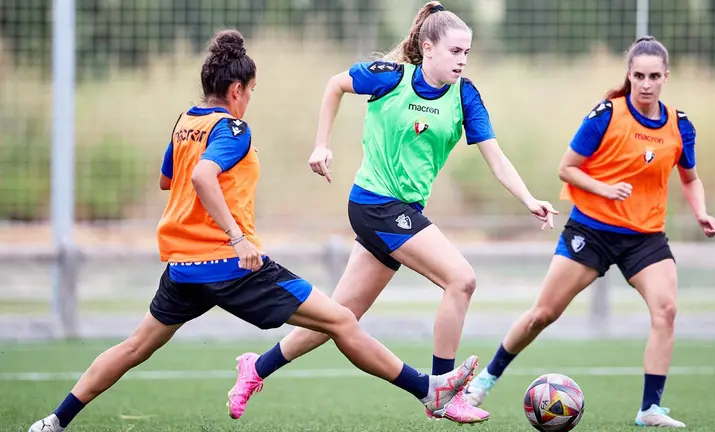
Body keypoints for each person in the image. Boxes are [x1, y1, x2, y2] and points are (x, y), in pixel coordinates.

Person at [27, 29, 487, 432]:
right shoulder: (233, 129)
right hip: (235, 266)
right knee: (343, 320)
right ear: (235, 89)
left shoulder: (186, 122)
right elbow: (202, 176)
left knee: (133, 348)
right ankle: (427, 390)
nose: (249, 99)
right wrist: (237, 236)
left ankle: (56, 419)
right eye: (250, 91)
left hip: (183, 267)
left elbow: (169, 180)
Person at [229, 0, 556, 423]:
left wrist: (528, 198)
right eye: (455, 51)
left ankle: (256, 368)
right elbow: (335, 84)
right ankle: (443, 390)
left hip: (401, 211)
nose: (462, 60)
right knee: (461, 279)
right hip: (375, 204)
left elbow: (496, 157)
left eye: (467, 52)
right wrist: (322, 144)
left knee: (340, 317)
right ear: (428, 48)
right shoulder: (390, 77)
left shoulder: (465, 95)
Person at [461, 36, 715, 428]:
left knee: (666, 311)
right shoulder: (606, 115)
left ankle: (650, 409)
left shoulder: (679, 125)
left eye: (654, 76)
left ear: (666, 77)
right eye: (639, 76)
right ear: (629, 75)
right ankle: (483, 382)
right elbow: (566, 168)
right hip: (592, 230)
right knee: (543, 315)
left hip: (644, 237)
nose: (646, 84)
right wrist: (605, 189)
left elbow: (690, 177)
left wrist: (701, 212)